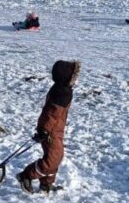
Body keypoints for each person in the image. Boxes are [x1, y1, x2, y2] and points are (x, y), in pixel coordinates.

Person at [17, 60, 81, 194]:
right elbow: (50, 113)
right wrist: (44, 130)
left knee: (54, 157)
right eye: (74, 76)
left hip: (55, 129)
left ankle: (46, 184)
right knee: (54, 158)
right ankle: (26, 175)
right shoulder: (62, 93)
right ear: (66, 77)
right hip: (50, 131)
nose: (75, 79)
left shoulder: (61, 89)